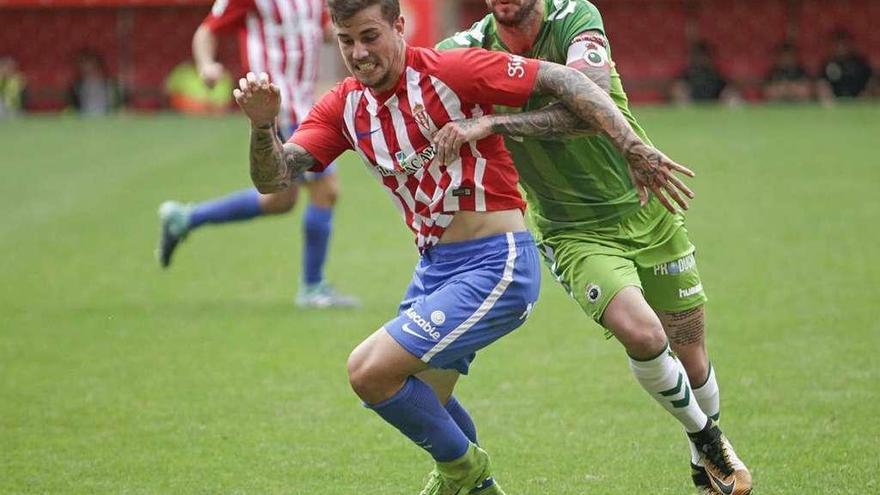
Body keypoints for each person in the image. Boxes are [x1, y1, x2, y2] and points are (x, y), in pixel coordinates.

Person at [233, 0, 692, 492]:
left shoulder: (452, 69)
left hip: (498, 263)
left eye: (370, 36)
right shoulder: (344, 106)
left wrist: (632, 146)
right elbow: (275, 178)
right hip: (435, 269)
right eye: (346, 41)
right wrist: (263, 127)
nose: (359, 53)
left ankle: (463, 468)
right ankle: (476, 482)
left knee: (367, 372)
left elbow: (571, 82)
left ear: (398, 26)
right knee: (427, 401)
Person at [435, 1, 750, 493]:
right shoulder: (466, 50)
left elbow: (588, 102)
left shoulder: (576, 17)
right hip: (571, 230)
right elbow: (413, 89)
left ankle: (701, 456)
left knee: (691, 352)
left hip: (648, 205)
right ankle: (708, 438)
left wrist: (494, 124)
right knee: (643, 335)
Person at [157, 0, 358, 308]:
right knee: (326, 189)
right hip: (278, 107)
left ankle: (184, 219)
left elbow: (323, 29)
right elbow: (206, 31)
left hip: (304, 104)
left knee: (279, 200)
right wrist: (206, 65)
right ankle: (313, 287)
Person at [818, 30, 873, 99]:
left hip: (859, 101)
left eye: (843, 45)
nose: (841, 48)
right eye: (838, 45)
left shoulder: (860, 63)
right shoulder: (828, 64)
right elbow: (823, 83)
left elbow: (870, 81)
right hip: (835, 102)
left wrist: (864, 95)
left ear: (849, 45)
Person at [67, 49, 124, 115]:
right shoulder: (77, 88)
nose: (88, 73)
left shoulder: (110, 86)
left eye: (91, 69)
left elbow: (117, 107)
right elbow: (74, 108)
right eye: (84, 71)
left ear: (99, 68)